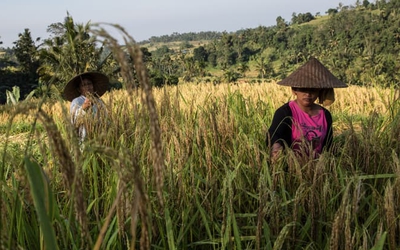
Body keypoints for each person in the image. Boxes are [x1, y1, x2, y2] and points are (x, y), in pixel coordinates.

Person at [267, 57, 347, 162]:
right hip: (292, 169)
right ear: (294, 90)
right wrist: (276, 147)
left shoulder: (325, 115)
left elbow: (328, 145)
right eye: (303, 89)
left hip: (317, 170)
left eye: (313, 90)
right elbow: (274, 134)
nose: (308, 94)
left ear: (319, 91)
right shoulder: (285, 112)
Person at [63, 72, 110, 143]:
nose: (87, 87)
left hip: (99, 137)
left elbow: (106, 118)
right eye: (84, 85)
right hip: (84, 138)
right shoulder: (77, 101)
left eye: (89, 84)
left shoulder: (99, 102)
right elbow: (74, 120)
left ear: (93, 86)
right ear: (79, 89)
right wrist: (83, 108)